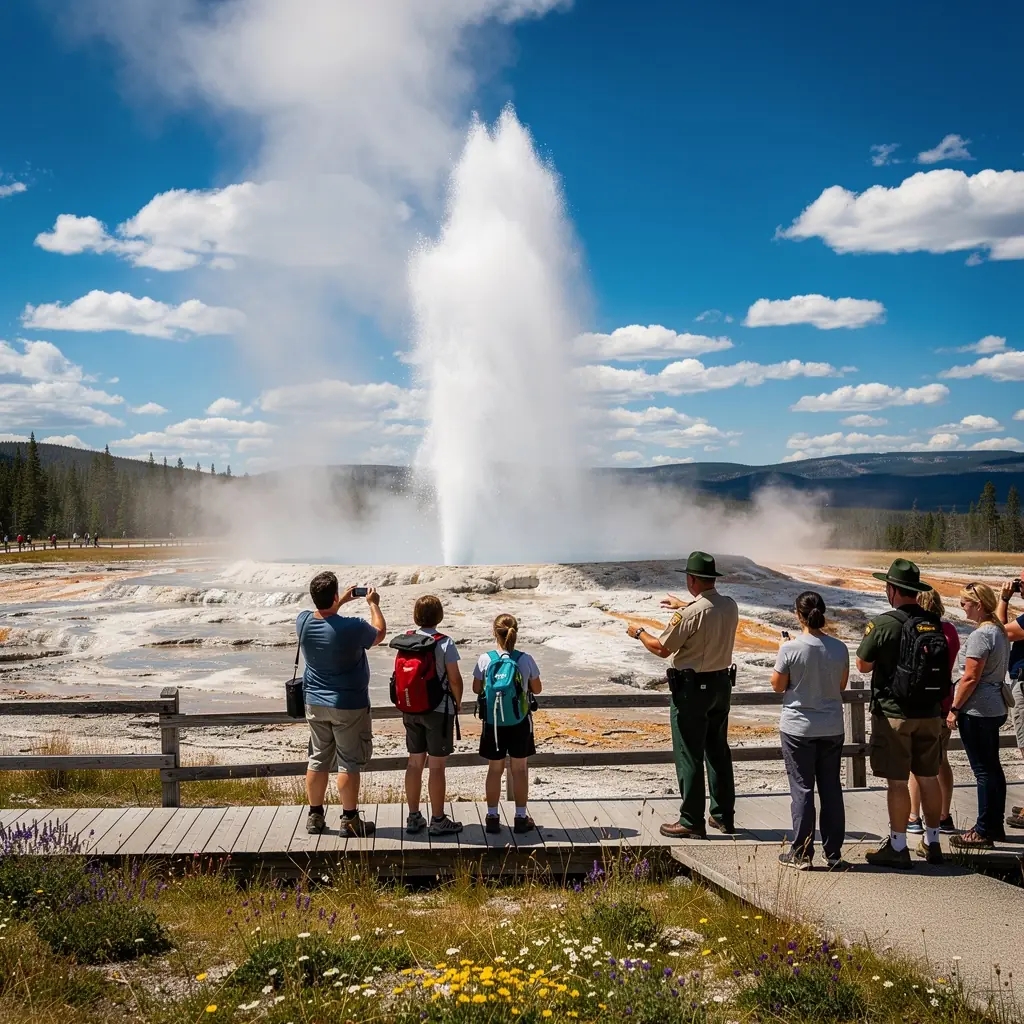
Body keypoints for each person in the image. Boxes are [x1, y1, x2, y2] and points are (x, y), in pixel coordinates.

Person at [627, 550, 739, 839]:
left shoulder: (687, 615)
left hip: (692, 690)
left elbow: (662, 648)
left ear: (691, 580)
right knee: (717, 750)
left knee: (689, 753)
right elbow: (706, 610)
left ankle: (691, 820)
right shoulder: (730, 606)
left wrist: (639, 632)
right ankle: (723, 816)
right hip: (721, 685)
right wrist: (686, 605)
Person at [856, 558, 947, 868]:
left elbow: (863, 665)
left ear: (892, 590)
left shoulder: (884, 623)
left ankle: (897, 846)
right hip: (931, 712)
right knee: (928, 776)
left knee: (897, 781)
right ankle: (933, 841)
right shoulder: (933, 622)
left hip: (894, 714)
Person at [296, 571, 386, 837]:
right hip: (348, 703)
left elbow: (323, 614)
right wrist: (373, 603)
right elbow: (379, 633)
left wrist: (340, 602)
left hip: (314, 702)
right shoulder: (354, 627)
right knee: (348, 762)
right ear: (334, 595)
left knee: (318, 759)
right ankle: (349, 820)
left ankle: (315, 816)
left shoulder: (302, 622)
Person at [771, 591, 850, 870]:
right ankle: (834, 853)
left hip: (798, 728)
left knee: (803, 789)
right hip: (831, 727)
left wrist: (784, 648)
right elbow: (841, 686)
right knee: (831, 788)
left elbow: (778, 686)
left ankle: (802, 854)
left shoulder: (790, 649)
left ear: (798, 614)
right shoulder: (840, 648)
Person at [947, 582, 1010, 850]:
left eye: (965, 603)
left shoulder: (981, 636)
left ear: (979, 605)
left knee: (983, 771)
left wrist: (954, 709)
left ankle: (982, 830)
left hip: (977, 710)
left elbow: (971, 677)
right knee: (993, 768)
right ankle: (995, 824)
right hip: (994, 706)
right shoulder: (999, 631)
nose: (962, 608)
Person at [396, 594, 464, 836]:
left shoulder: (406, 640)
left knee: (414, 763)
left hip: (411, 707)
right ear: (439, 616)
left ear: (416, 616)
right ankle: (438, 819)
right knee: (436, 767)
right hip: (438, 710)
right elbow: (454, 678)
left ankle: (414, 817)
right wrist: (458, 702)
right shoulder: (445, 643)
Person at [473, 613, 542, 834]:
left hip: (493, 723)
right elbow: (537, 688)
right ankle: (520, 818)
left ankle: (492, 817)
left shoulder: (485, 659)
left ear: (494, 632)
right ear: (515, 633)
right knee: (519, 769)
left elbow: (476, 688)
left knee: (495, 769)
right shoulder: (525, 659)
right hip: (519, 721)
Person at [907, 587, 960, 836]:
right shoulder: (949, 631)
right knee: (941, 761)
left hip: (919, 705)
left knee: (916, 763)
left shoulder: (915, 628)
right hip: (943, 703)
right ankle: (944, 816)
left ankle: (913, 817)